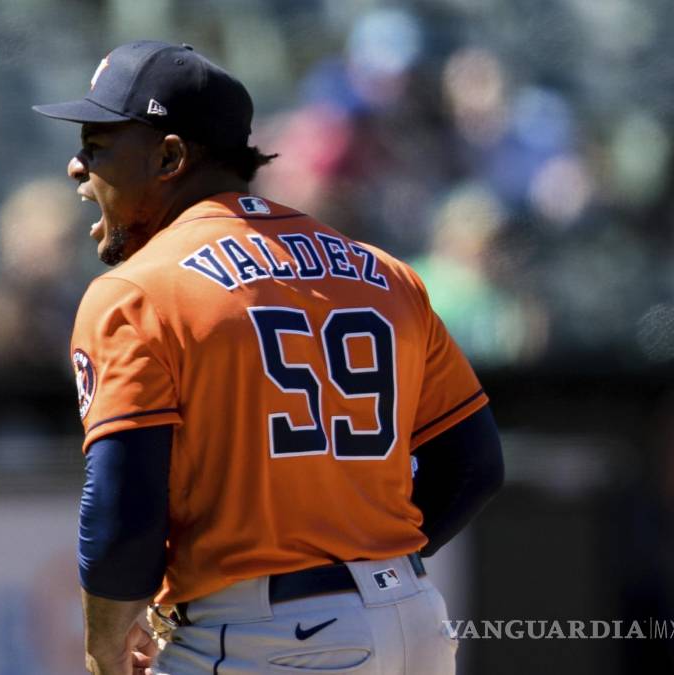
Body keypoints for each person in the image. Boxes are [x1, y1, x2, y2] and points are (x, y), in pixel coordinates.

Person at [33, 40, 503, 675]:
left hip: (265, 637)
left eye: (97, 145)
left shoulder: (138, 291)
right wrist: (369, 570)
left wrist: (105, 647)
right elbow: (472, 464)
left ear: (169, 157)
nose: (77, 167)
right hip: (415, 623)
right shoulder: (385, 273)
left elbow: (123, 510)